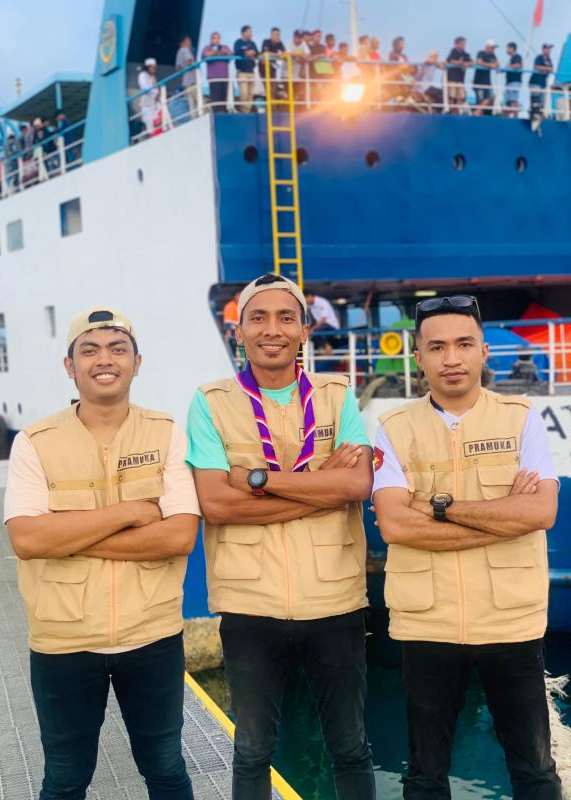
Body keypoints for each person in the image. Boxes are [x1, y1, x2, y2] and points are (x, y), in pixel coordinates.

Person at [186, 273, 375, 800]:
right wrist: (321, 484)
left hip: (335, 600)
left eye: (286, 317)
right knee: (252, 751)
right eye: (259, 318)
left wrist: (257, 480)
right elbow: (216, 504)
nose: (273, 329)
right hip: (251, 603)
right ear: (240, 332)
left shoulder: (337, 396)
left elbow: (357, 484)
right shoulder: (211, 402)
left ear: (304, 331)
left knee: (350, 747)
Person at [4, 306, 200, 800]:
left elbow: (179, 536)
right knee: (66, 779)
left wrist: (67, 536)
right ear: (69, 366)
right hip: (63, 640)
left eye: (117, 348)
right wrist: (131, 511)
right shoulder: (35, 443)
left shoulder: (166, 433)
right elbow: (26, 540)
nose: (104, 360)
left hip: (152, 634)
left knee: (166, 769)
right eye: (89, 350)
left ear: (137, 362)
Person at [372, 295, 562, 800]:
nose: (451, 358)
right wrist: (504, 517)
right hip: (428, 624)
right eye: (437, 347)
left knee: (535, 771)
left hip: (510, 622)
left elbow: (541, 513)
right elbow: (394, 525)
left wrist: (434, 507)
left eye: (463, 344)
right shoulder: (393, 429)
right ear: (418, 357)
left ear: (484, 352)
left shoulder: (522, 419)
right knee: (425, 776)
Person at [202, 32, 232, 112]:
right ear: (211, 39)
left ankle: (223, 113)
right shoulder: (207, 48)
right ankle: (216, 113)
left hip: (224, 77)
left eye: (217, 38)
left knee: (224, 97)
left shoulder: (225, 47)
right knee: (215, 98)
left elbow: (231, 54)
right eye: (214, 38)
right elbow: (205, 55)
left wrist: (226, 52)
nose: (216, 40)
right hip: (214, 77)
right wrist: (216, 51)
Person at [305, 289, 340, 354]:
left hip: (331, 325)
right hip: (322, 326)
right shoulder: (310, 305)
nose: (305, 301)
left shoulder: (322, 302)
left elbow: (324, 319)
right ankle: (323, 348)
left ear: (309, 296)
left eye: (305, 299)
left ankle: (327, 348)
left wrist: (312, 329)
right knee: (312, 336)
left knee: (315, 332)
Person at [234, 25, 259, 112]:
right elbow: (237, 53)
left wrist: (250, 53)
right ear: (243, 33)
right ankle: (243, 111)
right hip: (242, 72)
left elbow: (257, 53)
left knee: (250, 94)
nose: (251, 34)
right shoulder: (238, 42)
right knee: (243, 94)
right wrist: (247, 53)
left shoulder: (252, 43)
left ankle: (247, 111)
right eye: (249, 32)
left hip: (251, 72)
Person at [445, 36, 473, 114]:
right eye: (462, 44)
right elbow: (451, 61)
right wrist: (461, 63)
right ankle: (452, 111)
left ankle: (457, 111)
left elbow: (472, 62)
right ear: (456, 44)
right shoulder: (453, 52)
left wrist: (467, 63)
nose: (464, 45)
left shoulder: (465, 54)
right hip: (452, 78)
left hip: (460, 79)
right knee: (452, 95)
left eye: (464, 44)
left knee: (461, 96)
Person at [473, 40, 499, 115]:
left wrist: (491, 65)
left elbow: (497, 64)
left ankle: (477, 112)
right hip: (479, 81)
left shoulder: (493, 55)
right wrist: (490, 65)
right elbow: (479, 62)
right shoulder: (481, 53)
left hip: (487, 82)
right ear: (487, 47)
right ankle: (478, 114)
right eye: (492, 48)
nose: (493, 49)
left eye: (494, 48)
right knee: (480, 100)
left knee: (490, 97)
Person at [259, 27, 286, 99]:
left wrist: (279, 55)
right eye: (276, 35)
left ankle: (272, 105)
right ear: (271, 35)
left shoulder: (280, 43)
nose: (278, 36)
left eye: (279, 35)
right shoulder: (266, 42)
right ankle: (270, 104)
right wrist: (277, 55)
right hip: (264, 70)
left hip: (274, 69)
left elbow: (284, 53)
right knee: (268, 89)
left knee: (273, 89)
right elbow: (266, 53)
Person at [137, 58, 161, 136]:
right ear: (148, 67)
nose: (154, 69)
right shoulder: (142, 75)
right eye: (153, 67)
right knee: (149, 124)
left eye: (155, 67)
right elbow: (145, 87)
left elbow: (156, 88)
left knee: (158, 120)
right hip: (147, 103)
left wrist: (158, 94)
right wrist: (156, 92)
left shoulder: (153, 77)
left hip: (155, 103)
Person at [176, 36, 198, 117]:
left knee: (191, 103)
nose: (190, 43)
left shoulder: (180, 51)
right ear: (185, 42)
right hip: (192, 81)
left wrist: (184, 67)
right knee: (197, 101)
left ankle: (194, 118)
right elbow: (189, 61)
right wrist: (196, 62)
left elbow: (177, 67)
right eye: (189, 41)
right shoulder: (185, 50)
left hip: (186, 81)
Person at [529, 43, 554, 113]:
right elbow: (536, 67)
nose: (549, 50)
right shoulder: (539, 57)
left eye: (549, 49)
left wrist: (545, 69)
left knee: (542, 102)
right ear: (543, 49)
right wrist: (546, 68)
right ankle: (534, 113)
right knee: (535, 100)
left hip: (543, 83)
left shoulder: (549, 59)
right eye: (547, 49)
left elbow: (551, 69)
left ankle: (540, 114)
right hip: (535, 82)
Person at [287, 29, 310, 104]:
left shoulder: (303, 44)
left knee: (296, 93)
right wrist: (300, 54)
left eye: (301, 37)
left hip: (297, 75)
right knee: (289, 93)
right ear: (294, 37)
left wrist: (303, 56)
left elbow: (307, 54)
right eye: (298, 37)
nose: (299, 39)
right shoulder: (289, 44)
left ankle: (296, 106)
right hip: (287, 74)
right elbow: (288, 53)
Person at [503, 42, 523, 117]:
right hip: (509, 82)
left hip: (514, 82)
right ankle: (508, 116)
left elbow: (518, 65)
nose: (507, 50)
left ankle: (515, 116)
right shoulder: (511, 58)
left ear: (512, 49)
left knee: (514, 100)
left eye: (508, 48)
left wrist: (507, 67)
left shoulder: (517, 57)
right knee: (509, 101)